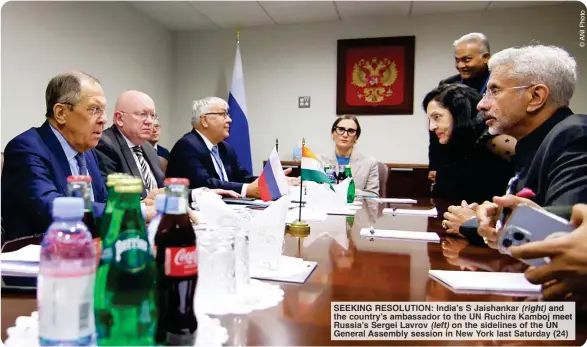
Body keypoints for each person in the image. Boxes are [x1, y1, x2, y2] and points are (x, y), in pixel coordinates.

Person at [472, 44, 587, 246]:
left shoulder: (575, 134)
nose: (482, 104)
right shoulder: (531, 145)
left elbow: (568, 225)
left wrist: (476, 222)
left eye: (494, 90)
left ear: (535, 97)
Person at [1, 71, 109, 241]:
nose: (104, 119)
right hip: (41, 257)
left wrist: (139, 204)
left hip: (88, 251)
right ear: (61, 113)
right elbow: (51, 208)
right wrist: (131, 212)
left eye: (103, 111)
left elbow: (102, 201)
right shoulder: (26, 148)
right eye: (94, 110)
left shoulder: (88, 153)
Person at [166, 96, 298, 199]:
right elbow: (205, 183)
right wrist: (247, 189)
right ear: (205, 120)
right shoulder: (187, 146)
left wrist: (271, 181)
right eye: (223, 114)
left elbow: (242, 176)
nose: (229, 120)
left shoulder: (225, 147)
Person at [424, 84, 515, 208]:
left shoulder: (494, 141)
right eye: (430, 120)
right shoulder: (451, 146)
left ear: (458, 113)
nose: (432, 127)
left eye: (437, 117)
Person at [429, 33, 492, 186]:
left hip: (488, 157)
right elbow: (436, 127)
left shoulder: (496, 82)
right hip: (452, 159)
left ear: (486, 57)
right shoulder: (447, 85)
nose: (461, 65)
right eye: (457, 60)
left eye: (466, 59)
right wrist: (434, 165)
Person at [95, 90, 165, 199]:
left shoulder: (148, 148)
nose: (150, 121)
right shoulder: (105, 144)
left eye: (152, 115)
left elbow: (162, 189)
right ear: (119, 119)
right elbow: (110, 196)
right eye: (142, 114)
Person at [324, 115, 379, 196]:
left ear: (356, 138)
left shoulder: (369, 163)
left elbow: (373, 196)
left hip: (356, 207)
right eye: (341, 129)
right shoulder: (319, 160)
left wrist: (348, 191)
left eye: (351, 131)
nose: (345, 135)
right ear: (333, 134)